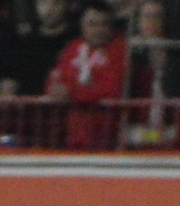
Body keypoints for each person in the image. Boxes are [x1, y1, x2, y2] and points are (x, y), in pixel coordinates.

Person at [48, 3, 125, 145]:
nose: (98, 30)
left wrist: (72, 93)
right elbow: (56, 78)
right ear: (82, 26)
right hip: (71, 134)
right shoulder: (73, 47)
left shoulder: (120, 50)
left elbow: (111, 89)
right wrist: (55, 90)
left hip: (106, 136)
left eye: (104, 24)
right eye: (92, 24)